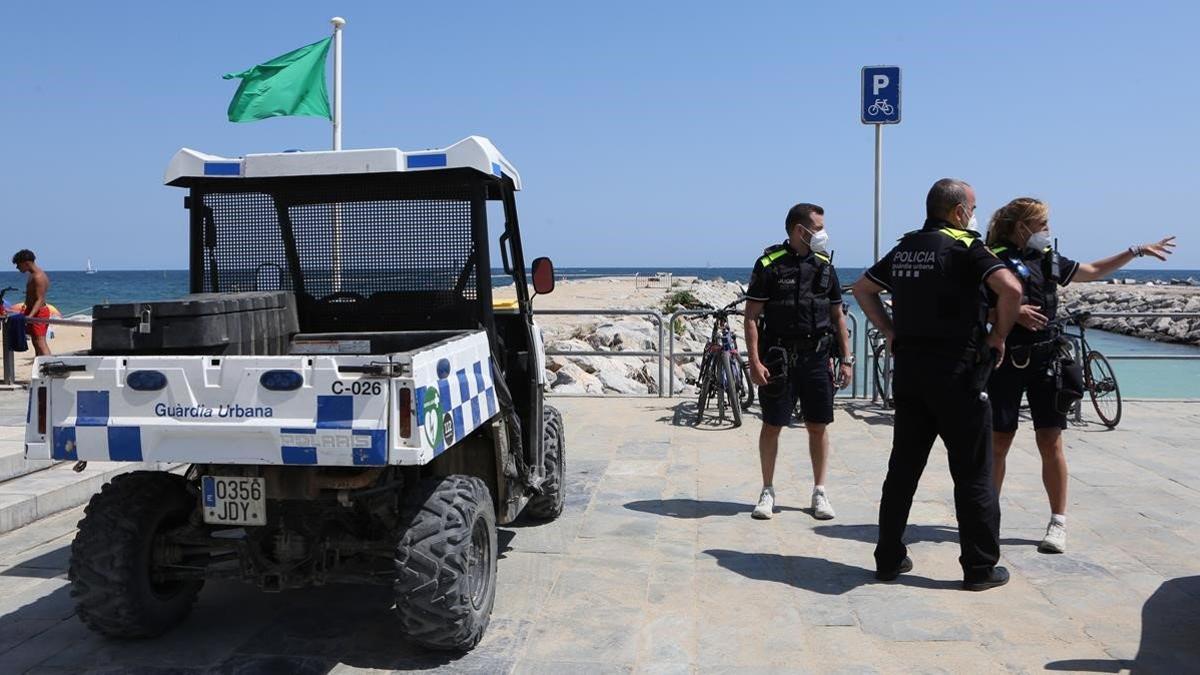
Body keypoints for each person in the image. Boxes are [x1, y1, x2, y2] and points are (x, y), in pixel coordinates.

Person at [852, 178, 1022, 591]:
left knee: (903, 470)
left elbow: (862, 289)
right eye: (974, 207)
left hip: (910, 373)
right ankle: (980, 569)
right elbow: (1011, 289)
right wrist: (998, 336)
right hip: (959, 374)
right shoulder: (965, 246)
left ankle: (888, 559)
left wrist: (890, 331)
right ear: (959, 211)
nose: (975, 214)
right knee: (973, 474)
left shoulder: (907, 246)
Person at [984, 197, 1175, 554]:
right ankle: (987, 517)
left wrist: (1135, 251)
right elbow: (972, 308)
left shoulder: (1047, 259)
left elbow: (1090, 271)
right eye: (1042, 226)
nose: (1047, 233)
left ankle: (1058, 521)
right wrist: (1012, 312)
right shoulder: (989, 257)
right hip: (1005, 361)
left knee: (1050, 440)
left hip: (1046, 360)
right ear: (1022, 225)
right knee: (998, 442)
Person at [744, 203, 854, 520]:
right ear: (799, 230)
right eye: (818, 228)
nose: (823, 234)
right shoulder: (769, 265)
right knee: (772, 425)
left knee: (818, 426)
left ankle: (820, 492)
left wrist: (846, 360)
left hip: (817, 358)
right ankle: (767, 491)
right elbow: (751, 316)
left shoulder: (824, 266)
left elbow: (838, 316)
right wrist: (754, 360)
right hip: (778, 358)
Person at [12, 250, 52, 356]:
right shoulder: (32, 275)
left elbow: (40, 299)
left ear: (26, 263)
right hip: (32, 311)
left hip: (39, 313)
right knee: (35, 342)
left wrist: (30, 316)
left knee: (40, 342)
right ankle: (40, 366)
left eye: (18, 264)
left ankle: (50, 367)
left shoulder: (38, 277)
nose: (17, 267)